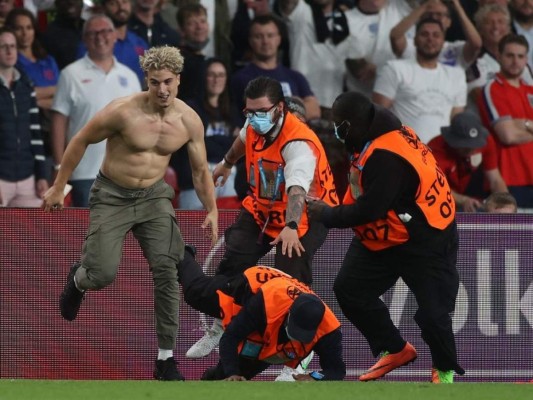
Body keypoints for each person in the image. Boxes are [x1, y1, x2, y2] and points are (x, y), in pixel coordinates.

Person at [41, 45, 218, 381]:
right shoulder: (123, 111)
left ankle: (165, 359)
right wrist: (58, 186)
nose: (162, 89)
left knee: (168, 270)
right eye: (154, 82)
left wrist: (211, 209)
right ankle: (79, 278)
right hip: (112, 195)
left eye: (167, 81)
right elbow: (79, 140)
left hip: (154, 197)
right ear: (145, 81)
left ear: (178, 80)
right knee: (102, 274)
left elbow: (199, 171)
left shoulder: (189, 120)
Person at [186, 77, 338, 381]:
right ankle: (220, 326)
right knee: (233, 264)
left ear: (280, 109)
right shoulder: (256, 124)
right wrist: (227, 163)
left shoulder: (298, 144)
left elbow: (297, 190)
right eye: (249, 111)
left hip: (306, 212)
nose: (253, 117)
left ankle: (297, 360)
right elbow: (242, 139)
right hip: (263, 205)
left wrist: (292, 226)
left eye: (260, 111)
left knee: (292, 281)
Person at [307, 91, 465, 383]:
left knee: (433, 315)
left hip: (425, 237)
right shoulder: (371, 132)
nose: (336, 131)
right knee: (349, 289)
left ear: (353, 125)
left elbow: (369, 209)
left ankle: (443, 371)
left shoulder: (386, 157)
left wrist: (326, 214)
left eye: (339, 126)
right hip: (385, 232)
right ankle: (394, 348)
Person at [177, 245, 346, 381]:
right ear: (289, 314)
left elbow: (337, 370)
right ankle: (183, 253)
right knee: (194, 293)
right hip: (248, 289)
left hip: (270, 328)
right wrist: (232, 373)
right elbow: (231, 337)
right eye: (296, 329)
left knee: (233, 378)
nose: (297, 336)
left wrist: (313, 377)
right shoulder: (266, 303)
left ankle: (212, 377)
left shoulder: (329, 331)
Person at [50, 14, 141, 207]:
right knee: (87, 234)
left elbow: (141, 124)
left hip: (125, 174)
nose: (100, 37)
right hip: (84, 173)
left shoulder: (130, 76)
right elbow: (58, 123)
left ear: (115, 35)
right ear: (84, 39)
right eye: (93, 33)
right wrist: (59, 167)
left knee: (122, 235)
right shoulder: (70, 74)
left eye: (106, 31)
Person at [373, 17, 467, 143]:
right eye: (424, 34)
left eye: (436, 35)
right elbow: (377, 116)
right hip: (404, 152)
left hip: (442, 155)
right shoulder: (394, 69)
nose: (430, 39)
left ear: (443, 41)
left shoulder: (457, 75)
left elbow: (456, 121)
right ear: (415, 40)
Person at [171, 57, 241, 209]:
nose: (217, 80)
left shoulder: (232, 111)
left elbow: (239, 145)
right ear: (204, 77)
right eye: (212, 75)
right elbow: (191, 143)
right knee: (193, 230)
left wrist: (208, 140)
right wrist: (226, 140)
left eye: (221, 75)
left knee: (225, 227)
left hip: (227, 174)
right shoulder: (190, 108)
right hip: (196, 176)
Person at [230, 14, 320, 124]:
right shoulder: (241, 79)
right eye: (258, 36)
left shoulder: (295, 76)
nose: (265, 41)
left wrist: (278, 108)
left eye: (270, 35)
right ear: (250, 41)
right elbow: (261, 115)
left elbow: (315, 110)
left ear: (279, 39)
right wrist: (297, 104)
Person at [478, 33, 533, 209]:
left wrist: (522, 124)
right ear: (499, 56)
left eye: (520, 56)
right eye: (510, 55)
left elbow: (514, 131)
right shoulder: (493, 88)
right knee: (511, 236)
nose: (515, 61)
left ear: (526, 59)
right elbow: (507, 135)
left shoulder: (530, 89)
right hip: (508, 178)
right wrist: (528, 124)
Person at [5, 7, 60, 182]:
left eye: (29, 27)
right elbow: (18, 97)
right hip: (28, 134)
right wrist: (52, 91)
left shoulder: (47, 60)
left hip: (56, 132)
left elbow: (63, 94)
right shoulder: (10, 62)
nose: (24, 33)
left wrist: (36, 97)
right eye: (18, 28)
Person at [0, 26, 48, 206]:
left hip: (28, 178)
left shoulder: (27, 85)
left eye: (12, 46)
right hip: (1, 178)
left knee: (32, 232)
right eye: (3, 46)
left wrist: (42, 175)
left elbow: (36, 135)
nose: (9, 50)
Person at [428, 111, 508, 212]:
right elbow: (435, 187)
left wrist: (506, 203)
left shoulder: (486, 140)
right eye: (465, 146)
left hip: (468, 188)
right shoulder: (436, 150)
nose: (471, 150)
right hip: (437, 196)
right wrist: (463, 200)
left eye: (475, 144)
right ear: (452, 139)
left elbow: (495, 179)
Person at [390, 0, 482, 69]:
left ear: (449, 21)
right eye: (429, 14)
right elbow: (395, 36)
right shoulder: (414, 46)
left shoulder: (455, 49)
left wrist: (457, 6)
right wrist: (425, 6)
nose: (434, 18)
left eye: (439, 15)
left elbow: (476, 44)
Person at [40, 0, 85, 70]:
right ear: (56, 4)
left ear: (82, 3)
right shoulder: (50, 35)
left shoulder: (91, 28)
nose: (71, 2)